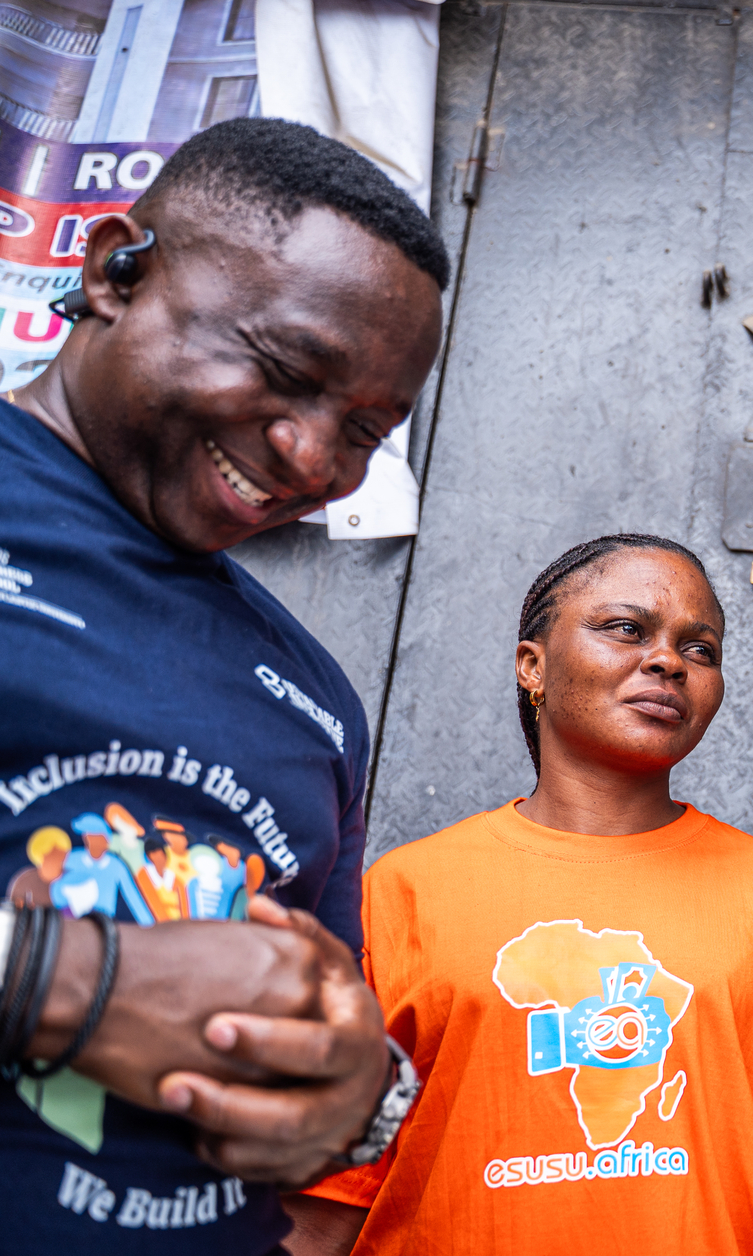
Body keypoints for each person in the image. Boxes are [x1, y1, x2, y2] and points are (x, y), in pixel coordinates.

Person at [1, 115, 451, 1250]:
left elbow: (321, 1018)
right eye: (286, 371)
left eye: (364, 430)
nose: (313, 458)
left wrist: (357, 1100)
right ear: (116, 270)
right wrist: (48, 976)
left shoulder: (312, 699)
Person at [285, 534, 753, 1255]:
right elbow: (325, 1204)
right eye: (626, 629)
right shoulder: (402, 893)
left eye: (701, 649)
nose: (668, 661)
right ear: (532, 665)